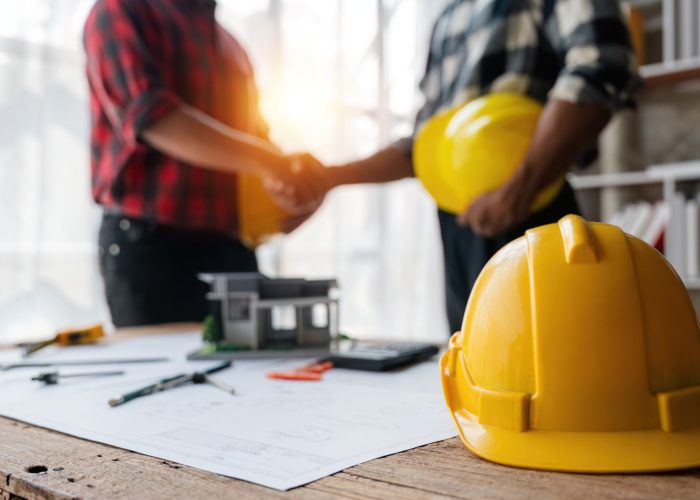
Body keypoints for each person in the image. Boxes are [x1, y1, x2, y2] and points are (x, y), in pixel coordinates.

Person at [276, 0, 642, 333]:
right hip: (458, 226)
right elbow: (423, 144)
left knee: (556, 366)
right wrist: (330, 178)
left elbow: (603, 62)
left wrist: (520, 189)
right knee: (473, 362)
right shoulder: (448, 16)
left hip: (533, 210)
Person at [83, 0, 327, 327]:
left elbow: (254, 144)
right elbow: (153, 118)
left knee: (248, 372)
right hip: (151, 248)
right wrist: (273, 163)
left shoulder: (230, 45)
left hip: (229, 247)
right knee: (165, 370)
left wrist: (287, 193)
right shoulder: (123, 9)